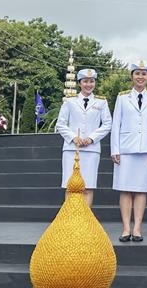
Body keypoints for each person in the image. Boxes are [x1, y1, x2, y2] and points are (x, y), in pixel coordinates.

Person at [110, 60, 147, 242]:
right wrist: (114, 149)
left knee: (141, 190)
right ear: (132, 76)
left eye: (144, 73)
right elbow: (116, 124)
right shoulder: (122, 97)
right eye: (137, 73)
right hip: (125, 149)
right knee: (125, 189)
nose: (140, 77)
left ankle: (137, 228)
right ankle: (126, 228)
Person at [56, 68, 112, 207]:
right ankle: (69, 221)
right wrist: (74, 137)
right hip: (71, 149)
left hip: (91, 150)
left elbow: (107, 124)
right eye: (85, 81)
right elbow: (61, 124)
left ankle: (86, 223)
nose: (89, 85)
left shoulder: (101, 102)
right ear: (79, 83)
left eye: (92, 81)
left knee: (88, 187)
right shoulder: (70, 101)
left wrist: (92, 138)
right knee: (71, 187)